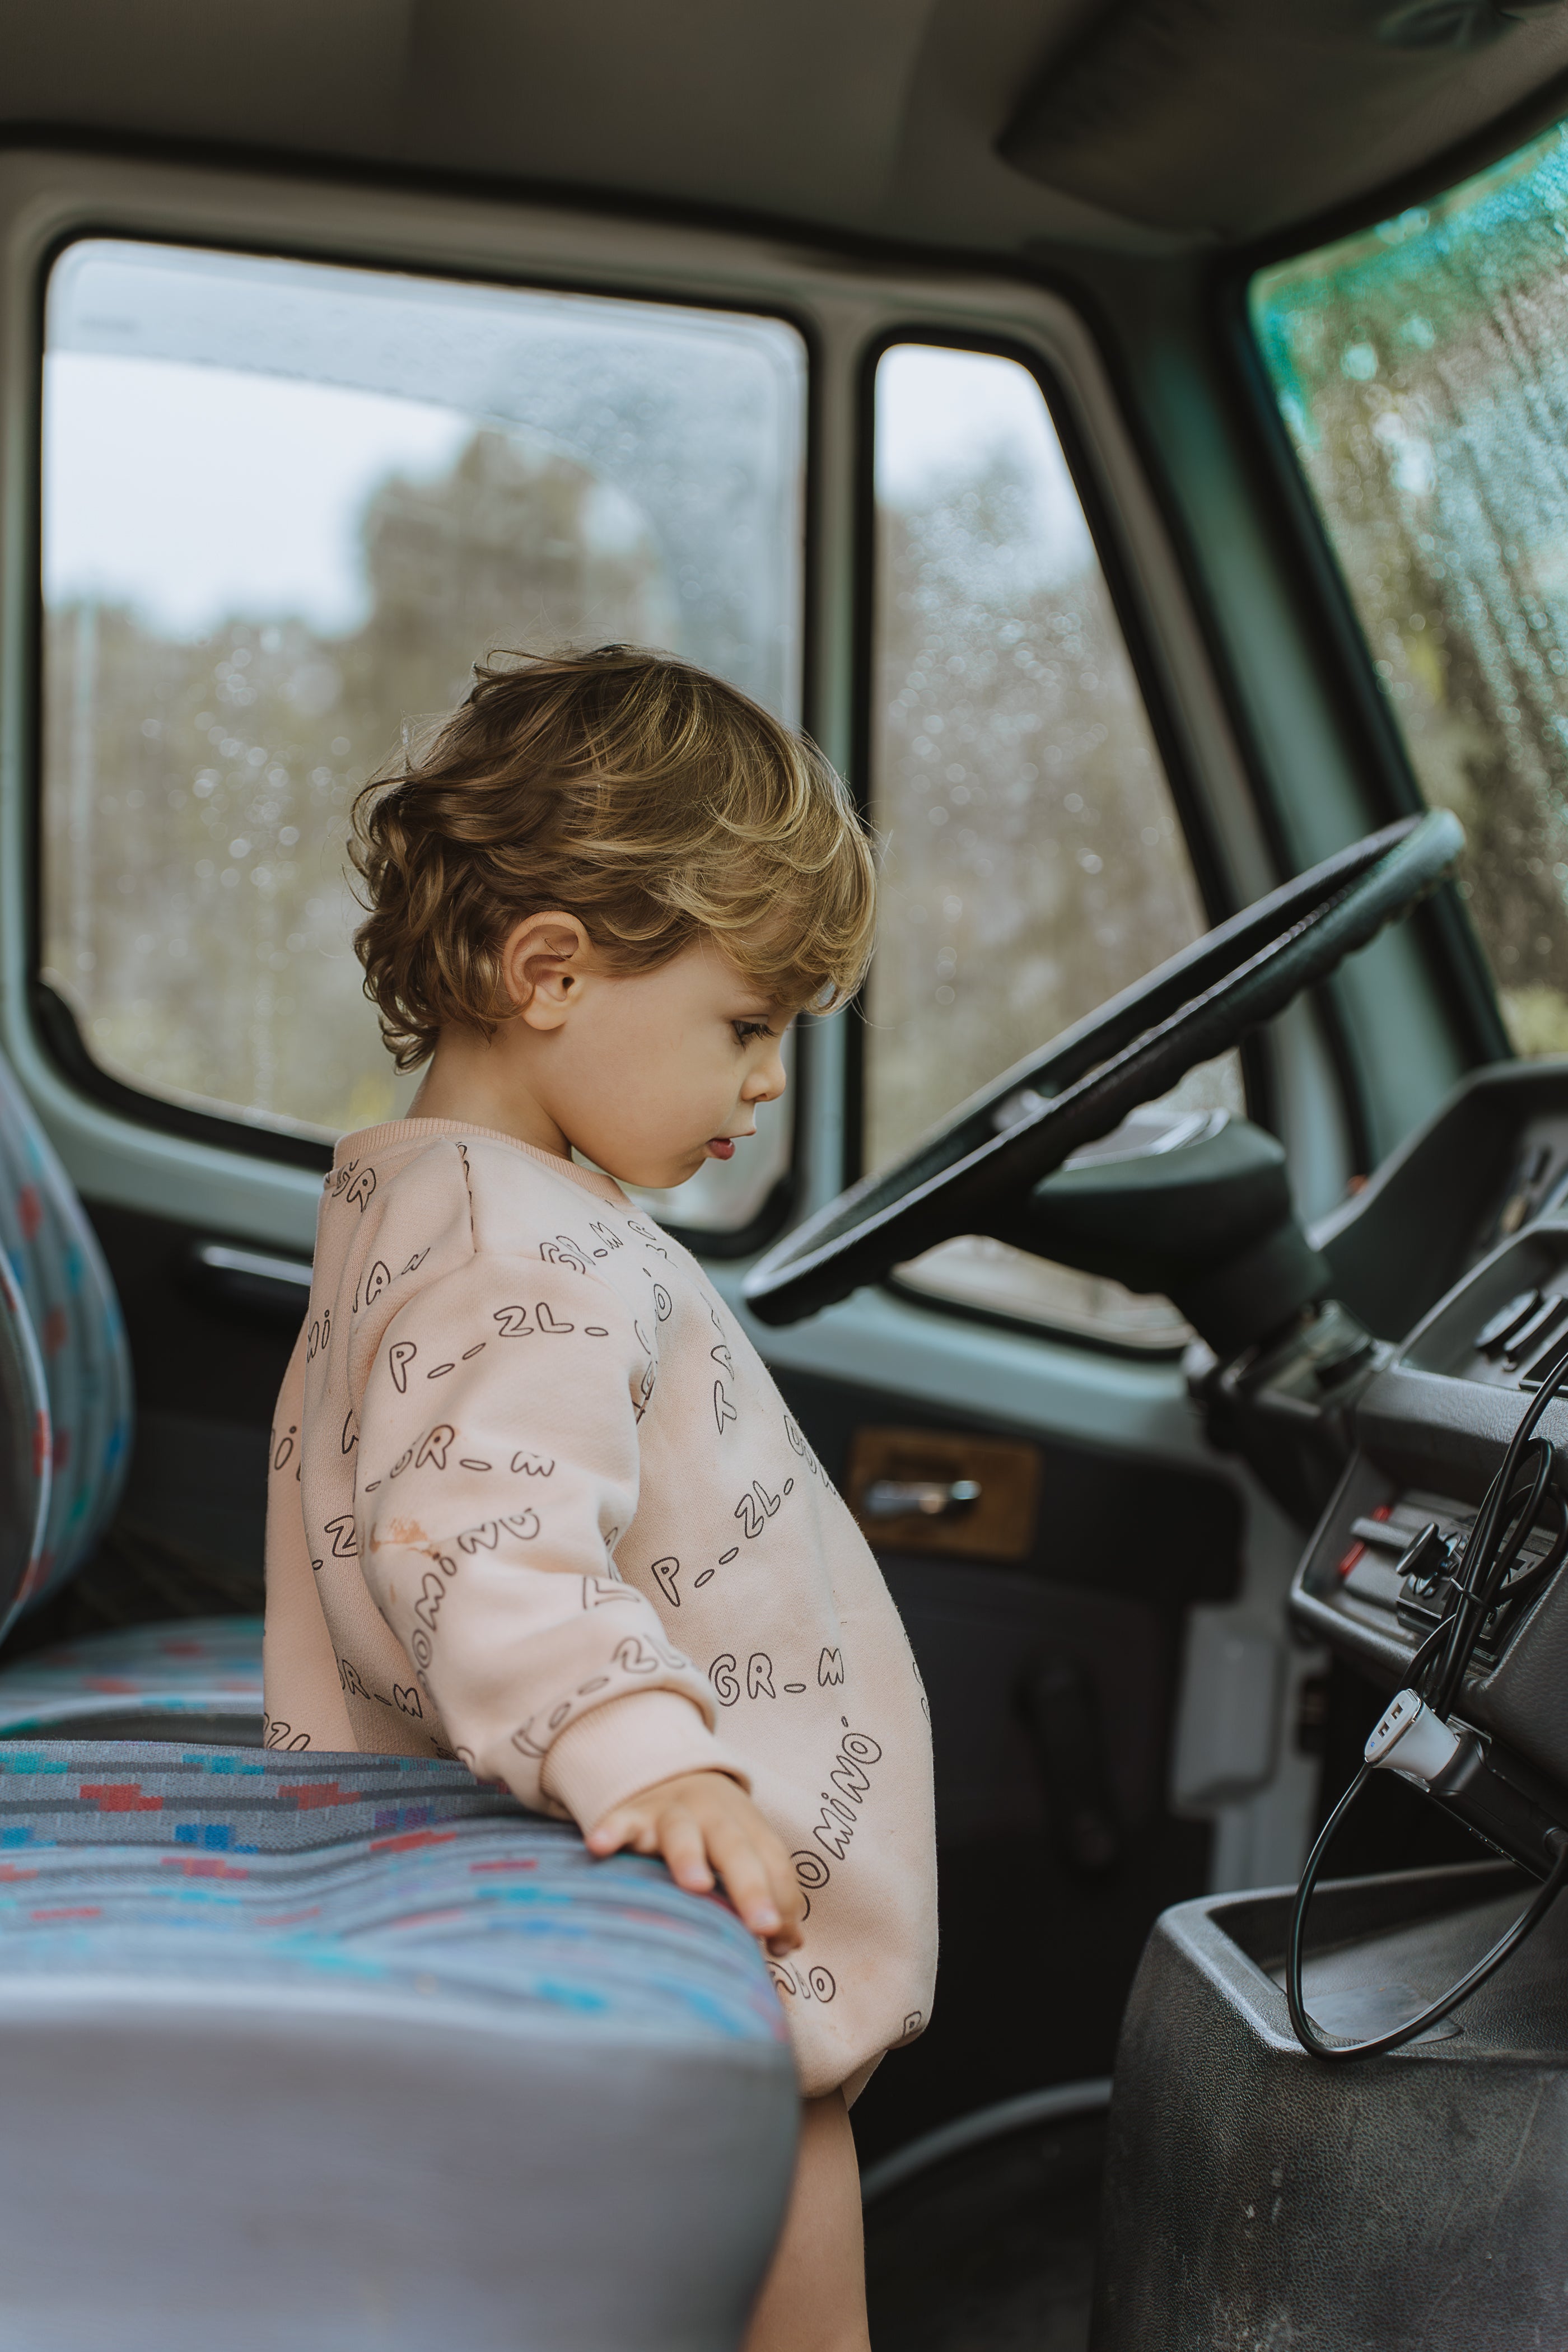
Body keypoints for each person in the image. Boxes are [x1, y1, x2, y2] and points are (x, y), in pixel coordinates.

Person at [262, 645, 937, 2352]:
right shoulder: (522, 1253)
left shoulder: (448, 1201)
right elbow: (475, 1542)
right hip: (685, 1898)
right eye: (745, 1025)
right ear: (551, 971)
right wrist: (656, 1758)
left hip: (633, 1867)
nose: (767, 1081)